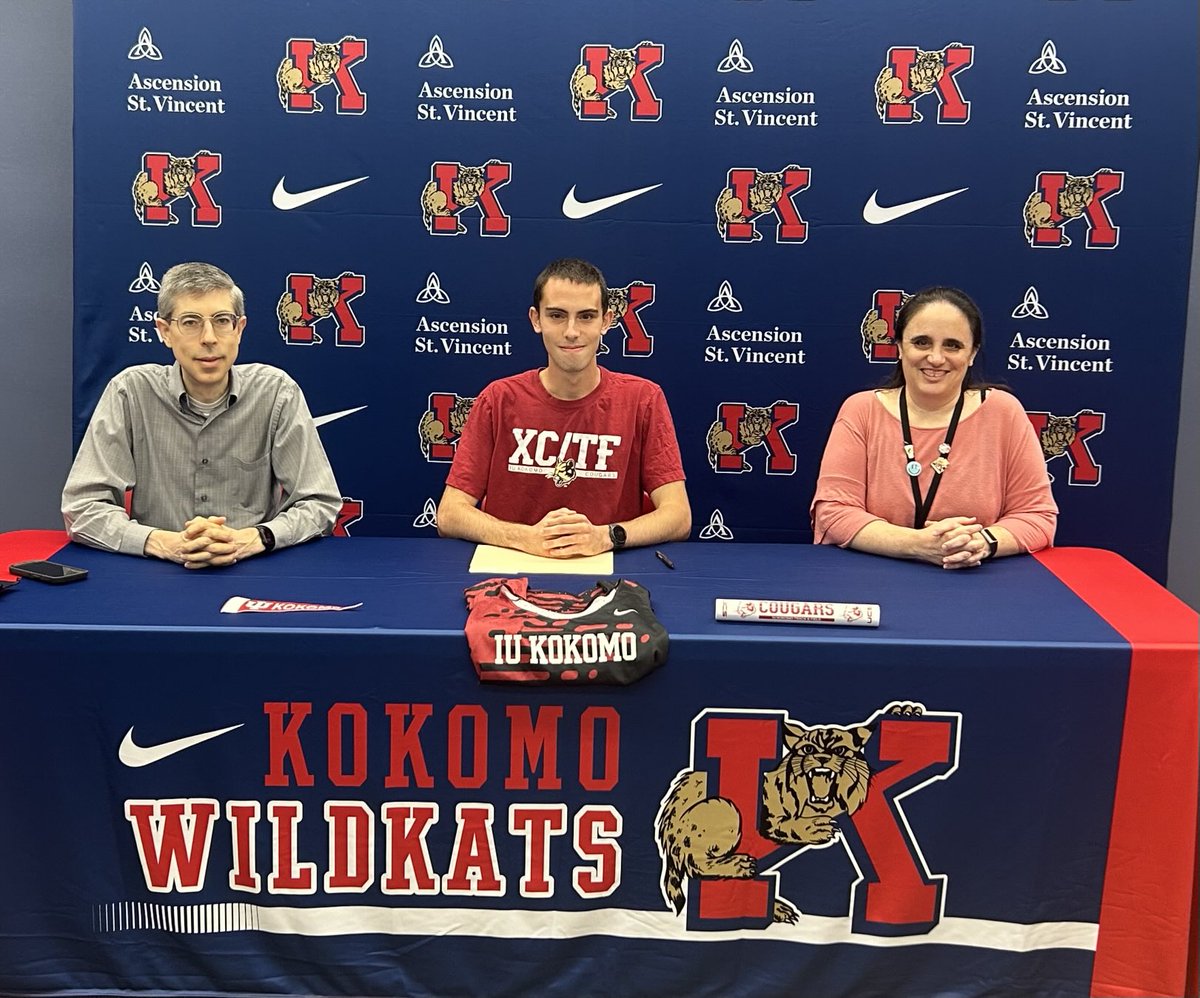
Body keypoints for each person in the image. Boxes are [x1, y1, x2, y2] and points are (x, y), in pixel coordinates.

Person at [62, 262, 341, 568]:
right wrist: (162, 542)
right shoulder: (130, 392)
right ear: (165, 332)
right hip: (154, 570)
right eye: (191, 322)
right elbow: (83, 507)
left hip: (254, 568)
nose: (209, 337)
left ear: (239, 329)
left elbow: (319, 502)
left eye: (222, 320)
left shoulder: (276, 392)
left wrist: (253, 538)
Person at [437, 258, 691, 558]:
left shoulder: (643, 399)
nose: (572, 332)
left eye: (586, 316)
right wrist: (524, 537)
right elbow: (450, 514)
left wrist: (606, 536)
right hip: (508, 572)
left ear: (606, 321)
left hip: (610, 576)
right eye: (557, 315)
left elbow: (678, 516)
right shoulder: (499, 398)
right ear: (536, 319)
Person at [811, 286, 1056, 569]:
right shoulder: (861, 410)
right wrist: (917, 546)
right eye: (922, 342)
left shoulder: (1004, 412)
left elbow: (1037, 516)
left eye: (952, 345)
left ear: (972, 353)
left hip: (978, 585)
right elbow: (834, 513)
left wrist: (980, 543)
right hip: (873, 581)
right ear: (900, 347)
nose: (936, 358)